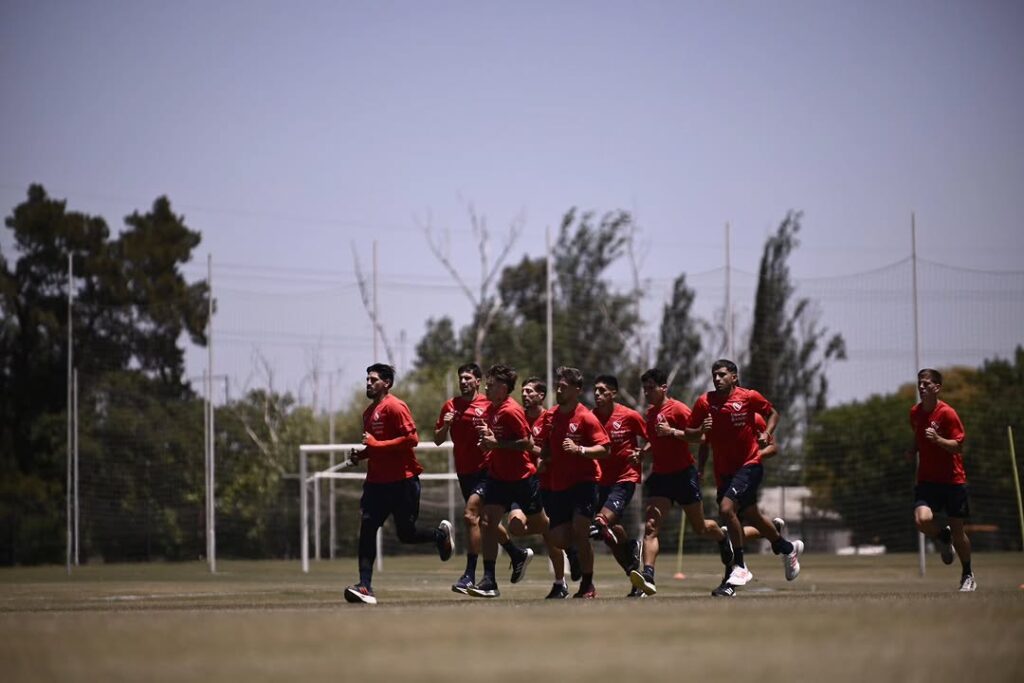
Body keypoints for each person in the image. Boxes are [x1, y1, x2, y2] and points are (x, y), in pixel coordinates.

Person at [686, 359, 802, 597]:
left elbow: (773, 414)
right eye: (714, 375)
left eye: (722, 375)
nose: (717, 379)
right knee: (751, 515)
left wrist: (767, 435)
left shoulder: (748, 399)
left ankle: (739, 566)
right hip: (723, 472)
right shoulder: (704, 402)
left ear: (734, 377)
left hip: (749, 465)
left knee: (727, 510)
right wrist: (700, 432)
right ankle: (786, 547)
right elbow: (692, 434)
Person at [343, 363, 454, 605]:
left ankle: (439, 536)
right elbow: (377, 448)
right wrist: (361, 455)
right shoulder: (368, 413)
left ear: (387, 383)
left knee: (406, 533)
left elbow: (412, 439)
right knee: (367, 529)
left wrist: (375, 445)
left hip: (403, 481)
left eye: (373, 380)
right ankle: (365, 586)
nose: (368, 383)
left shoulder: (395, 406)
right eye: (367, 379)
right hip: (376, 483)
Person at [630, 368, 733, 597]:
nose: (646, 392)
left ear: (663, 388)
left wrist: (672, 431)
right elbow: (654, 440)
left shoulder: (678, 409)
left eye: (651, 388)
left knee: (701, 528)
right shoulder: (650, 413)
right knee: (650, 528)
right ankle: (648, 577)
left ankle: (723, 536)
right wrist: (643, 453)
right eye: (644, 388)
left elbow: (700, 436)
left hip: (684, 475)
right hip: (661, 477)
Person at [434, 362, 528, 595]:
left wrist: (489, 436)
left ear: (477, 381)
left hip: (486, 470)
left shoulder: (489, 404)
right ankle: (516, 554)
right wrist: (445, 425)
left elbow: (506, 433)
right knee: (487, 523)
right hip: (464, 471)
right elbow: (437, 440)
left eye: (468, 378)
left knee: (470, 515)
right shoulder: (450, 406)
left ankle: (470, 575)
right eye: (461, 378)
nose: (464, 382)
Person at [467, 364, 549, 598]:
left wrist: (497, 444)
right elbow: (498, 440)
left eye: (490, 385)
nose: (485, 387)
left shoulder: (511, 410)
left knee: (544, 526)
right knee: (487, 522)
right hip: (498, 477)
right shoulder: (493, 408)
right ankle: (489, 581)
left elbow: (525, 442)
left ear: (503, 388)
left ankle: (568, 539)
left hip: (522, 478)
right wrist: (489, 442)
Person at [536, 366, 611, 599]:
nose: (558, 390)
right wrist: (542, 456)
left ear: (577, 390)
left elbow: (605, 449)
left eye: (563, 387)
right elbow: (541, 445)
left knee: (580, 528)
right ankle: (576, 553)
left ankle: (588, 585)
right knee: (558, 538)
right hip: (558, 485)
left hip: (584, 482)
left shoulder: (586, 417)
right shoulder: (550, 416)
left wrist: (579, 449)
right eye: (557, 386)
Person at [908, 368, 974, 592]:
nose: (922, 387)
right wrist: (913, 450)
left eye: (926, 383)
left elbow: (958, 446)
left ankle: (967, 574)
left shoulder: (947, 413)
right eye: (920, 383)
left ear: (937, 387)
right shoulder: (915, 413)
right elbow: (918, 439)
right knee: (921, 520)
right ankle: (942, 537)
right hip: (927, 480)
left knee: (958, 529)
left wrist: (938, 440)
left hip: (953, 480)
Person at [590, 374, 647, 596]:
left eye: (603, 390)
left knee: (599, 524)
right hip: (599, 481)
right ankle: (634, 571)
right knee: (611, 536)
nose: (597, 394)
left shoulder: (629, 416)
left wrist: (642, 453)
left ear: (613, 393)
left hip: (625, 478)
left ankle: (632, 553)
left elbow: (652, 438)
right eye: (595, 390)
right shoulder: (590, 417)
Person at [522, 377, 578, 599]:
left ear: (541, 396)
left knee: (549, 537)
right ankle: (566, 548)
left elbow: (557, 451)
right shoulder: (518, 418)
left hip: (548, 483)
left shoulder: (551, 418)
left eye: (529, 391)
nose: (525, 395)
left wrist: (540, 458)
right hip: (524, 481)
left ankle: (560, 582)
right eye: (523, 391)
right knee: (517, 526)